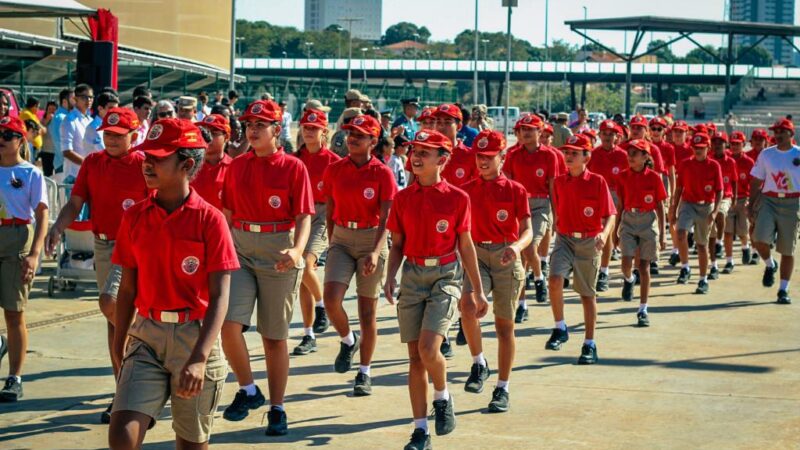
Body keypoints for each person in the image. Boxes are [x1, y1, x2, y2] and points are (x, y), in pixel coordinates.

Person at [107, 117, 236, 449]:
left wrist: (199, 357)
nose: (147, 163)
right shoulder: (134, 217)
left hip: (195, 338)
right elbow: (128, 290)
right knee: (121, 436)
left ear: (187, 165)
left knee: (191, 443)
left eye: (158, 157)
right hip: (146, 336)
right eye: (146, 154)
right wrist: (119, 345)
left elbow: (221, 296)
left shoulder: (210, 220)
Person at [384, 129, 487, 450]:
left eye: (425, 152)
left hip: (446, 275)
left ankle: (442, 397)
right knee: (415, 359)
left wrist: (478, 291)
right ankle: (420, 431)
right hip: (412, 275)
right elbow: (397, 244)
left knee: (430, 350)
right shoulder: (402, 198)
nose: (415, 156)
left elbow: (466, 245)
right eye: (414, 149)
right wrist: (390, 276)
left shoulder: (458, 198)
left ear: (442, 160)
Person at [45, 107, 146, 420]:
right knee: (114, 321)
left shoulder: (145, 163)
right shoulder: (93, 162)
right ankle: (124, 390)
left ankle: (139, 368)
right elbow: (76, 202)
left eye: (119, 135)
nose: (112, 140)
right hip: (102, 244)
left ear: (134, 134)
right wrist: (57, 226)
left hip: (133, 246)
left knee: (109, 301)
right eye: (107, 135)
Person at [219, 99, 313, 435]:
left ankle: (277, 408)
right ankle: (248, 389)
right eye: (249, 125)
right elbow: (227, 212)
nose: (253, 130)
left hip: (279, 250)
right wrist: (226, 246)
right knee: (228, 325)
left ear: (277, 130)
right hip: (241, 249)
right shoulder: (236, 166)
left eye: (261, 125)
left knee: (273, 337)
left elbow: (304, 215)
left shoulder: (292, 167)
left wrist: (298, 250)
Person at [321, 114, 396, 395]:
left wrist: (376, 252)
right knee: (330, 300)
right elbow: (329, 209)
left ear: (373, 142)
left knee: (367, 312)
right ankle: (348, 339)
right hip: (341, 238)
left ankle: (364, 372)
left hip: (370, 240)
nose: (352, 138)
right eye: (350, 133)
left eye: (360, 135)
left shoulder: (382, 173)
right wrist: (332, 243)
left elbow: (387, 218)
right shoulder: (335, 169)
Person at [459, 129, 532, 412]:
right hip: (476, 255)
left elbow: (528, 229)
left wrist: (516, 247)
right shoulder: (466, 190)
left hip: (505, 257)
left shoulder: (515, 190)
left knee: (504, 327)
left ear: (502, 157)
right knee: (467, 305)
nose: (483, 162)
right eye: (479, 156)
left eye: (490, 157)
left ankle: (503, 387)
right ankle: (479, 363)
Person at [544, 133, 615, 365]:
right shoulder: (560, 182)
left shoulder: (597, 182)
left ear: (587, 156)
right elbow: (558, 206)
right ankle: (560, 327)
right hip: (564, 239)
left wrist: (604, 235)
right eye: (566, 152)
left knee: (586, 294)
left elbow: (610, 214)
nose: (568, 156)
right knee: (554, 280)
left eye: (574, 153)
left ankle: (589, 343)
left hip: (588, 241)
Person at [0, 117, 48, 402]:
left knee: (13, 312)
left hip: (18, 237)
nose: (2, 138)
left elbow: (41, 214)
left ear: (21, 140)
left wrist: (34, 254)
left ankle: (14, 377)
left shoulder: (30, 173)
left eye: (8, 134)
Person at [292, 108, 339, 356]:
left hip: (322, 214)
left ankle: (322, 307)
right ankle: (308, 334)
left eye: (314, 127)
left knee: (306, 264)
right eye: (306, 127)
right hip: (299, 215)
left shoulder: (333, 161)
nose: (309, 131)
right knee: (301, 275)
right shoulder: (294, 158)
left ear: (324, 131)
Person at [503, 114, 558, 320]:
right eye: (522, 129)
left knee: (530, 246)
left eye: (531, 129)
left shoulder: (549, 155)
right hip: (518, 207)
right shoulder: (512, 155)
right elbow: (507, 185)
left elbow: (552, 187)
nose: (525, 132)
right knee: (519, 259)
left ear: (540, 132)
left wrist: (557, 214)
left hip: (540, 206)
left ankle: (539, 277)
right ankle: (522, 304)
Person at [748, 118, 800, 305]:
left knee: (787, 249)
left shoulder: (799, 154)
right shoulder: (766, 154)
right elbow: (755, 180)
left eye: (782, 132)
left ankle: (783, 290)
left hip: (793, 202)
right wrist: (751, 204)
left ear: (791, 135)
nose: (777, 135)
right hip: (769, 200)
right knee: (758, 239)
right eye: (775, 131)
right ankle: (770, 264)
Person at [616, 139, 667, 327]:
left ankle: (643, 309)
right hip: (629, 220)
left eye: (635, 153)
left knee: (644, 267)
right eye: (629, 153)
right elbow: (620, 204)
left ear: (646, 157)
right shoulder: (622, 176)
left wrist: (662, 234)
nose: (630, 156)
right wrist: (615, 231)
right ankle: (629, 279)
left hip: (648, 221)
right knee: (625, 263)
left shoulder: (654, 177)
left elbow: (660, 206)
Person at [670, 133, 723, 294]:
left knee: (701, 245)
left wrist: (714, 211)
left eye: (701, 148)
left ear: (708, 148)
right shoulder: (685, 164)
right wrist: (674, 208)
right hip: (688, 204)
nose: (698, 151)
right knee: (681, 233)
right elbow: (679, 188)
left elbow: (719, 191)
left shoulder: (714, 166)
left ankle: (702, 279)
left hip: (706, 205)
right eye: (695, 148)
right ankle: (685, 267)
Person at [588, 120, 628, 292]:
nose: (607, 137)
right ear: (599, 135)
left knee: (608, 233)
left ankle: (604, 271)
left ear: (617, 137)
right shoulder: (592, 154)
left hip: (614, 195)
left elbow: (628, 179)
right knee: (593, 232)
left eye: (611, 134)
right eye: (604, 133)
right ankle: (592, 269)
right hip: (594, 195)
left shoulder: (623, 155)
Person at [723, 131, 755, 272]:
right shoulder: (726, 159)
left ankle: (745, 247)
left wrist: (750, 201)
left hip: (743, 199)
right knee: (728, 231)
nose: (735, 146)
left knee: (743, 230)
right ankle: (729, 261)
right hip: (729, 199)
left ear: (743, 144)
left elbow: (752, 183)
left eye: (738, 144)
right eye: (733, 144)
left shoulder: (748, 162)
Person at [708, 132, 738, 279]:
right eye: (715, 142)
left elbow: (734, 180)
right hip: (709, 198)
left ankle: (720, 243)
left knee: (720, 214)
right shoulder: (708, 160)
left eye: (721, 142)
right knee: (710, 235)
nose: (718, 145)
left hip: (725, 196)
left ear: (726, 145)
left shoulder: (730, 161)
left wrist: (735, 197)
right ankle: (713, 266)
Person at [191, 114, 232, 211]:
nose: (207, 137)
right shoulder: (189, 166)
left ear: (226, 137)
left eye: (213, 133)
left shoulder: (234, 168)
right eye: (204, 132)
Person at [60, 84, 94, 182]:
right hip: (74, 176)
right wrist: (88, 164)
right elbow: (66, 151)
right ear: (75, 99)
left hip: (88, 174)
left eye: (91, 97)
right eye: (84, 97)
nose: (88, 100)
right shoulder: (69, 120)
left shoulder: (90, 120)